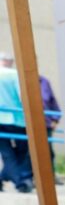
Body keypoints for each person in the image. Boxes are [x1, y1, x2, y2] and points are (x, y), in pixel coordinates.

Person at [0, 55, 33, 193]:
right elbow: (23, 96)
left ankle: (3, 177)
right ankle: (20, 183)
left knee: (7, 153)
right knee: (23, 149)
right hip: (18, 119)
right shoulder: (14, 75)